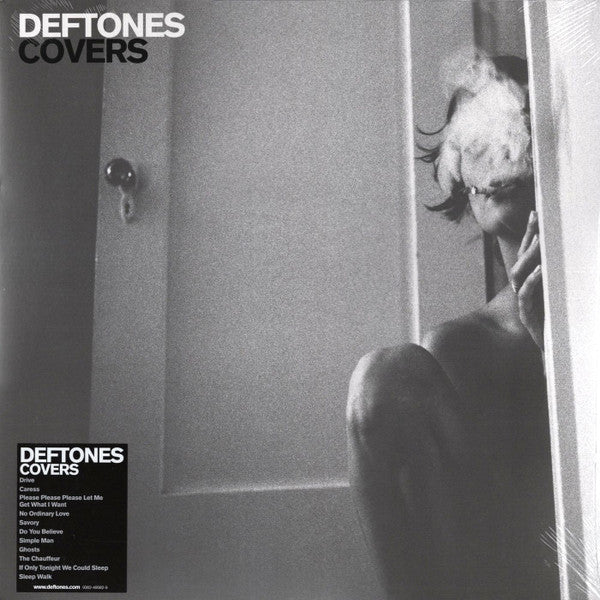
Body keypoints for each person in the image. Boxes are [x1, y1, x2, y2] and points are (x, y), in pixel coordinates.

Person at [346, 54, 559, 600]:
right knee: (384, 376)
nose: (495, 153)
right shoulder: (460, 349)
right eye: (473, 139)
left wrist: (557, 351)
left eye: (511, 124)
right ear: (462, 180)